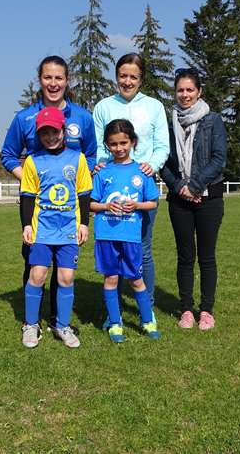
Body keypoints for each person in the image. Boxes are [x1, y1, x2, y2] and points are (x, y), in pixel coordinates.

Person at [1, 55, 96, 332]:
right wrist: (33, 183)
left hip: (68, 210)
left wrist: (76, 184)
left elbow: (91, 155)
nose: (53, 83)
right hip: (38, 209)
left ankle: (58, 320)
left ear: (67, 80)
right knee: (35, 264)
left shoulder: (82, 117)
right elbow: (8, 155)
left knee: (64, 268)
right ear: (39, 80)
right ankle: (31, 321)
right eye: (47, 77)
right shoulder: (24, 118)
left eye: (58, 78)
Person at [93, 53, 169, 318]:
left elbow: (162, 145)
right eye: (123, 76)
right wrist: (100, 165)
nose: (127, 81)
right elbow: (97, 145)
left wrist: (152, 165)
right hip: (111, 187)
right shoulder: (103, 106)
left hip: (141, 187)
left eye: (133, 77)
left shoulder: (154, 106)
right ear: (116, 76)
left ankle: (146, 307)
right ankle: (113, 314)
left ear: (141, 79)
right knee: (112, 252)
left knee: (143, 249)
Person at [160, 68, 227, 330]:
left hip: (210, 199)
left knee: (207, 257)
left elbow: (219, 159)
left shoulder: (213, 120)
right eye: (180, 90)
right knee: (185, 257)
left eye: (190, 89)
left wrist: (196, 186)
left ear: (199, 91)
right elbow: (163, 162)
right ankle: (186, 309)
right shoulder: (169, 124)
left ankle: (206, 310)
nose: (185, 94)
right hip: (180, 200)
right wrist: (181, 187)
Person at [19, 107, 92, 348]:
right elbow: (27, 196)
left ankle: (62, 325)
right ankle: (31, 325)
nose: (50, 137)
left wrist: (84, 223)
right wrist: (27, 225)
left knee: (66, 277)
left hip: (68, 228)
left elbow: (84, 193)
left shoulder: (78, 158)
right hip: (42, 229)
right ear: (39, 135)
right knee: (37, 274)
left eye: (55, 131)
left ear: (64, 130)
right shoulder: (32, 161)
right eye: (45, 133)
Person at [90, 119, 161, 343]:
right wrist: (106, 206)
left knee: (136, 279)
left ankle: (148, 320)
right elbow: (91, 203)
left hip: (131, 237)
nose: (119, 148)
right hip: (106, 236)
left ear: (133, 142)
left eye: (123, 143)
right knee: (111, 278)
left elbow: (153, 202)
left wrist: (137, 205)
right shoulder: (102, 172)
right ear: (107, 145)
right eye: (113, 144)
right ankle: (115, 323)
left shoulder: (142, 172)